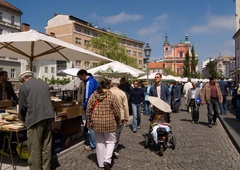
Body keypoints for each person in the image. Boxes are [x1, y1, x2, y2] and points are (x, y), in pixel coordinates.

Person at [18, 71, 54, 170]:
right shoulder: (44, 83)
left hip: (35, 119)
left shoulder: (24, 86)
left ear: (23, 79)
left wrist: (22, 118)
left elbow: (22, 106)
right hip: (48, 117)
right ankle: (46, 168)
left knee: (35, 148)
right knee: (46, 146)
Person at [86, 78, 121, 169]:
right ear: (108, 85)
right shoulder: (112, 96)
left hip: (96, 123)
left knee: (99, 143)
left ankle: (101, 163)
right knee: (110, 142)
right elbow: (117, 110)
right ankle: (107, 160)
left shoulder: (93, 96)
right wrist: (118, 121)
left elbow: (88, 110)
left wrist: (89, 122)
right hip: (109, 122)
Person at [77, 69, 98, 151]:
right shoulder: (93, 80)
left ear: (84, 75)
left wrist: (84, 107)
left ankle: (93, 144)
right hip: (95, 106)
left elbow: (87, 97)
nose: (80, 79)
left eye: (80, 77)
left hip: (91, 107)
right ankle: (95, 142)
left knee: (91, 126)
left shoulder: (89, 82)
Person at [109, 79, 129, 157]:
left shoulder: (108, 92)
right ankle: (114, 148)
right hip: (120, 115)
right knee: (117, 132)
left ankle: (109, 148)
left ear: (111, 83)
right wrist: (127, 117)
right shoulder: (122, 93)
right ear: (119, 84)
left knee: (109, 133)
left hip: (109, 115)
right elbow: (125, 106)